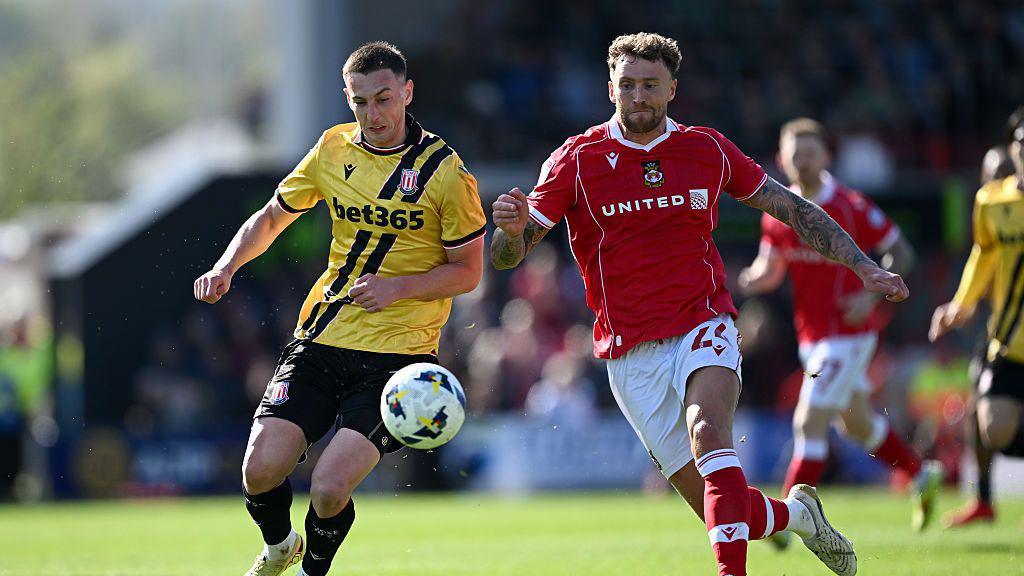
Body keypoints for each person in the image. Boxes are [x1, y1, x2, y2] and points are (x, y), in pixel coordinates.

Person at [491, 32, 908, 576]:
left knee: (708, 430)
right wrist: (508, 232)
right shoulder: (576, 159)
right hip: (627, 351)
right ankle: (800, 517)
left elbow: (790, 207)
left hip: (703, 321)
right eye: (627, 85)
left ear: (672, 89)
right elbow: (508, 256)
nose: (637, 96)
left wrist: (864, 265)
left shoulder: (706, 148)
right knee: (721, 509)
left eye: (649, 85)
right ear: (609, 88)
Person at [193, 41, 486, 576]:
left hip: (397, 359)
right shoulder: (333, 148)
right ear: (346, 99)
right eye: (359, 102)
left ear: (407, 93)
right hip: (321, 338)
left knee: (328, 488)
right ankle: (281, 546)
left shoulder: (445, 171)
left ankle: (313, 571)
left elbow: (469, 271)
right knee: (259, 471)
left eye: (383, 99)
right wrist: (227, 266)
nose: (373, 114)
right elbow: (271, 217)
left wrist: (396, 290)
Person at [738, 118, 943, 540]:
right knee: (859, 426)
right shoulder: (778, 209)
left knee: (808, 422)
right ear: (782, 159)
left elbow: (901, 252)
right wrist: (751, 279)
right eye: (796, 155)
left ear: (826, 156)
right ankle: (922, 473)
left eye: (811, 153)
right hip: (811, 338)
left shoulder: (849, 204)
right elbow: (771, 268)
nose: (804, 161)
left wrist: (870, 298)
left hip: (851, 337)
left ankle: (784, 519)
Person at [931, 107, 1024, 528]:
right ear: (1013, 148)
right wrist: (960, 305)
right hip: (1006, 336)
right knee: (993, 429)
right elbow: (982, 256)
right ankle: (983, 498)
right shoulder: (992, 201)